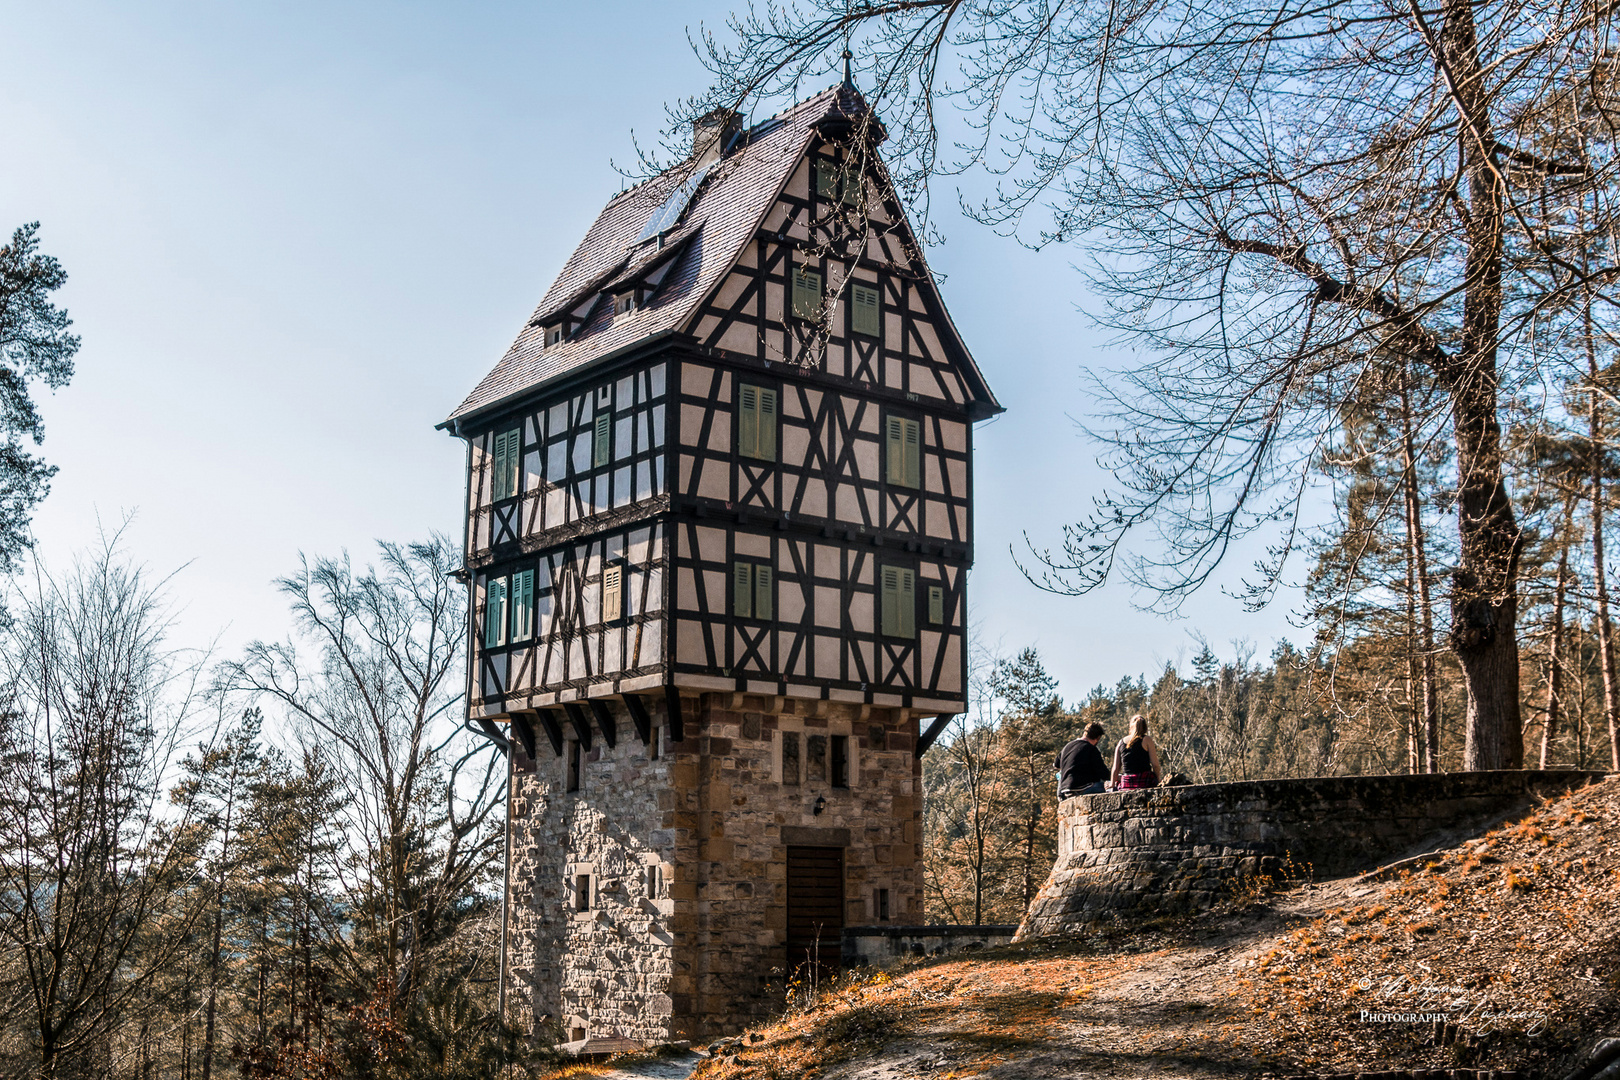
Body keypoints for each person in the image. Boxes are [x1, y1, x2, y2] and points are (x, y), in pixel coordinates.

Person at [1056, 722, 1110, 797]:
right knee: (1104, 787)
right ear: (1098, 738)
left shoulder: (1067, 746)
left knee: (1061, 772)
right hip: (1084, 788)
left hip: (1065, 790)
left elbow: (1056, 764)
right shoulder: (1091, 749)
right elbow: (1103, 773)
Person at [1111, 714, 1162, 790]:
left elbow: (1115, 768)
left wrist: (1112, 784)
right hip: (1145, 782)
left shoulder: (1120, 742)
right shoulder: (1147, 740)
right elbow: (1155, 765)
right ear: (1144, 727)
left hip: (1126, 783)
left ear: (1130, 726)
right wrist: (1159, 780)